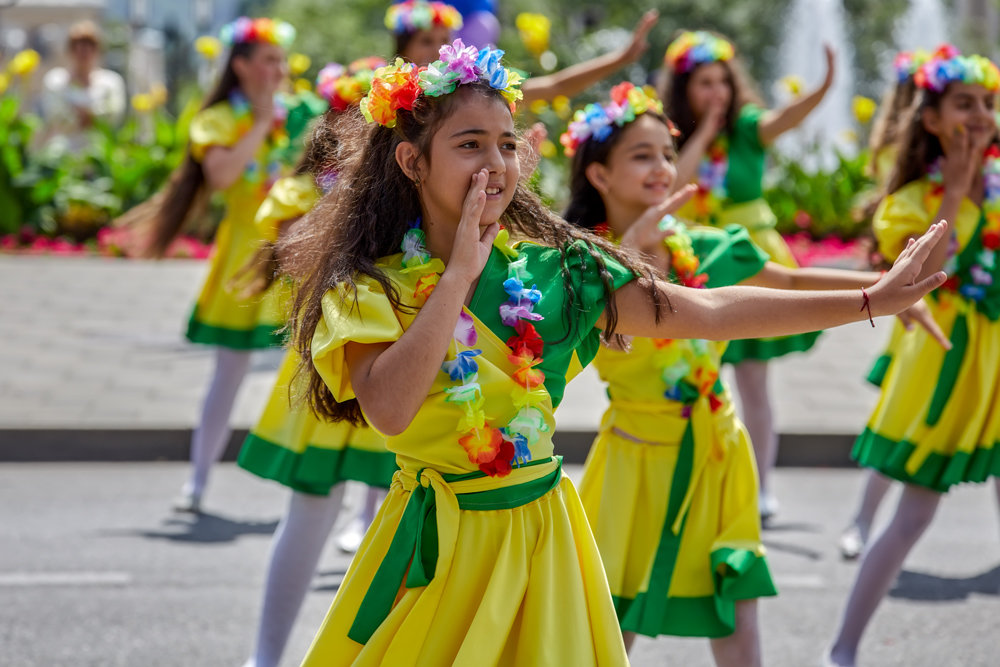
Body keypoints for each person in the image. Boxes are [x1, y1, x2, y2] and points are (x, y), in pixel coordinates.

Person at [278, 41, 945, 665]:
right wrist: (455, 277)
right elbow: (391, 409)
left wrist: (868, 300)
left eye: (508, 144)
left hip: (541, 536)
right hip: (438, 548)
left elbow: (708, 311)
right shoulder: (369, 286)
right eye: (469, 143)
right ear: (412, 160)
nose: (495, 164)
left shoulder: (558, 272)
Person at [560, 84, 945, 667]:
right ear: (598, 175)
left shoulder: (703, 246)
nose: (663, 167)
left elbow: (782, 281)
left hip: (718, 456)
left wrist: (879, 294)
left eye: (667, 152)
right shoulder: (581, 264)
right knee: (608, 623)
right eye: (642, 155)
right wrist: (629, 255)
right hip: (633, 466)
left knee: (737, 615)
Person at [827, 51, 1000, 667]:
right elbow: (924, 273)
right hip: (946, 366)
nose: (980, 116)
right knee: (913, 516)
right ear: (930, 119)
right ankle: (843, 648)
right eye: (964, 105)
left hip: (995, 368)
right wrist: (954, 191)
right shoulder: (911, 201)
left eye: (987, 103)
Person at [235, 58, 397, 667]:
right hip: (331, 371)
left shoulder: (408, 190)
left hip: (394, 371)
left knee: (394, 528)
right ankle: (266, 658)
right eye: (356, 114)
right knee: (309, 513)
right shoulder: (306, 194)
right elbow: (292, 258)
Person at [116, 17, 299, 512]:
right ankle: (198, 480)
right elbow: (220, 176)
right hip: (245, 252)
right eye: (267, 60)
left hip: (298, 251)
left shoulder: (297, 114)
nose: (277, 70)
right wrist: (260, 121)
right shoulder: (220, 119)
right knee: (229, 372)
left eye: (281, 60)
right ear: (239, 65)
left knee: (309, 369)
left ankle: (305, 487)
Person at [661, 30, 835, 521]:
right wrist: (701, 132)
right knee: (698, 377)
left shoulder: (749, 127)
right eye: (703, 83)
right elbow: (678, 185)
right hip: (700, 263)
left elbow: (788, 118)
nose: (716, 92)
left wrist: (824, 86)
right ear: (684, 89)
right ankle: (705, 483)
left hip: (755, 259)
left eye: (723, 82)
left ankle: (761, 487)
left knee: (755, 384)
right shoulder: (670, 134)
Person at [838, 44, 959, 561]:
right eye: (964, 103)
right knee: (901, 422)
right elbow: (923, 245)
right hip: (929, 313)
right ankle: (861, 522)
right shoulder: (910, 168)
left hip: (984, 333)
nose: (979, 116)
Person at [387, 0, 660, 105]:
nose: (438, 48)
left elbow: (555, 86)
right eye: (426, 40)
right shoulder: (383, 91)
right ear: (402, 48)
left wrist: (621, 58)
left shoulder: (476, 84)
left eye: (444, 39)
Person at [38, 20, 126, 150]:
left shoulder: (111, 82)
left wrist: (88, 115)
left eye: (89, 47)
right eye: (78, 47)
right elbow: (54, 115)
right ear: (70, 50)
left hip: (100, 152)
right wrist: (88, 117)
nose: (83, 53)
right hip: (62, 153)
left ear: (97, 50)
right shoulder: (55, 80)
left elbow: (114, 115)